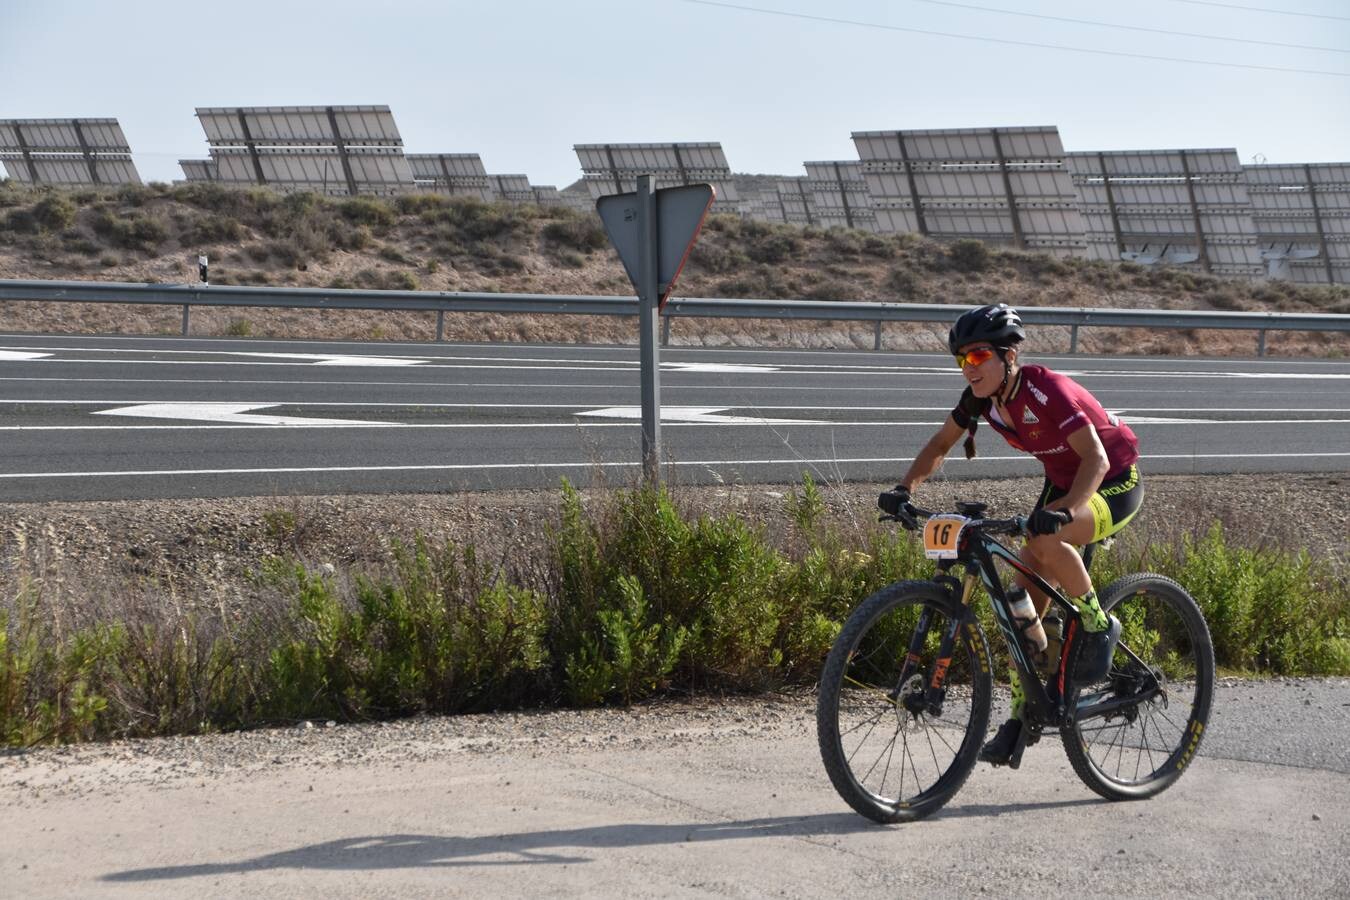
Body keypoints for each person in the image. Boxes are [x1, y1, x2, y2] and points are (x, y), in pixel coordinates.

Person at [878, 303, 1143, 766]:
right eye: (963, 360)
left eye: (979, 357)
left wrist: (1063, 514)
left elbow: (1097, 462)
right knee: (1021, 606)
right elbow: (941, 443)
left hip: (1112, 480)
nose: (969, 368)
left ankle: (1098, 624)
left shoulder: (1047, 391)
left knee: (1043, 542)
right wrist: (903, 489)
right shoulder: (981, 399)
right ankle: (1029, 711)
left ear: (1008, 356)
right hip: (1063, 482)